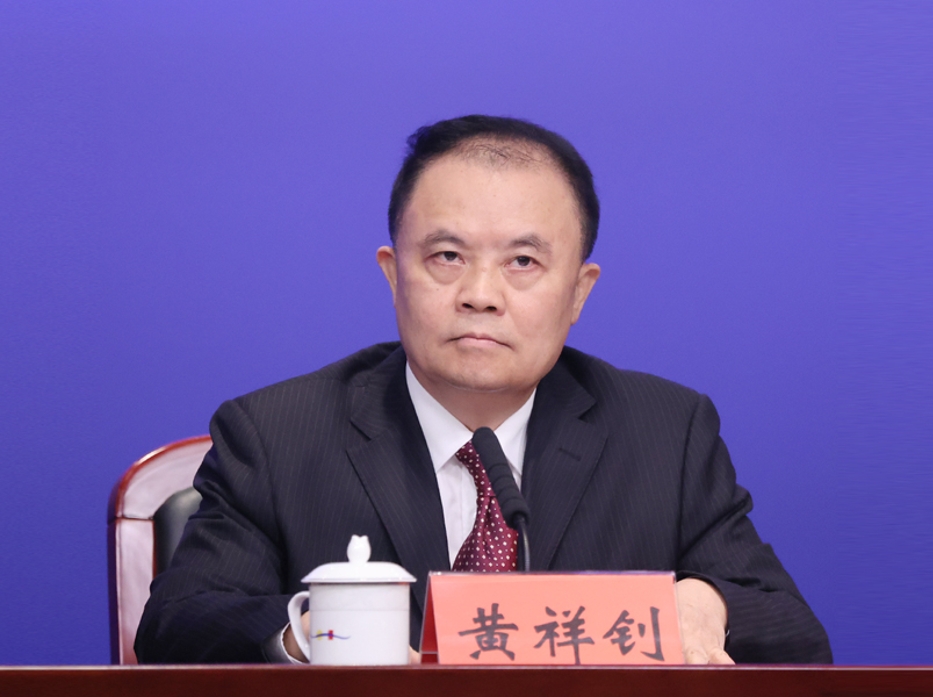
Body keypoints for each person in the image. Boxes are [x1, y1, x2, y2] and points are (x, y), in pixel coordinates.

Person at [135, 115, 832, 665]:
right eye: (447, 256)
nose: (481, 294)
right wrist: (313, 629)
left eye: (523, 262)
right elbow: (177, 625)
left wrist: (709, 604)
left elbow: (796, 634)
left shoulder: (665, 433)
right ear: (392, 274)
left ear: (579, 291)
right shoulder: (278, 435)